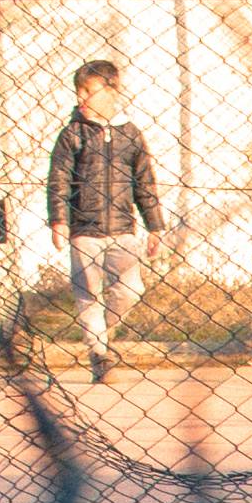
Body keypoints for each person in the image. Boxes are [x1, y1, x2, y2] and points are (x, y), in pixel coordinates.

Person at [42, 56, 171, 445]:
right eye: (78, 91)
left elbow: (145, 182)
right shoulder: (72, 135)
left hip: (122, 231)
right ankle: (100, 357)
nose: (82, 97)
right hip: (83, 230)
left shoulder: (131, 134)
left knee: (131, 290)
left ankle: (100, 334)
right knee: (88, 295)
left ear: (112, 91)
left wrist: (155, 226)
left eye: (89, 90)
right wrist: (59, 221)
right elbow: (58, 179)